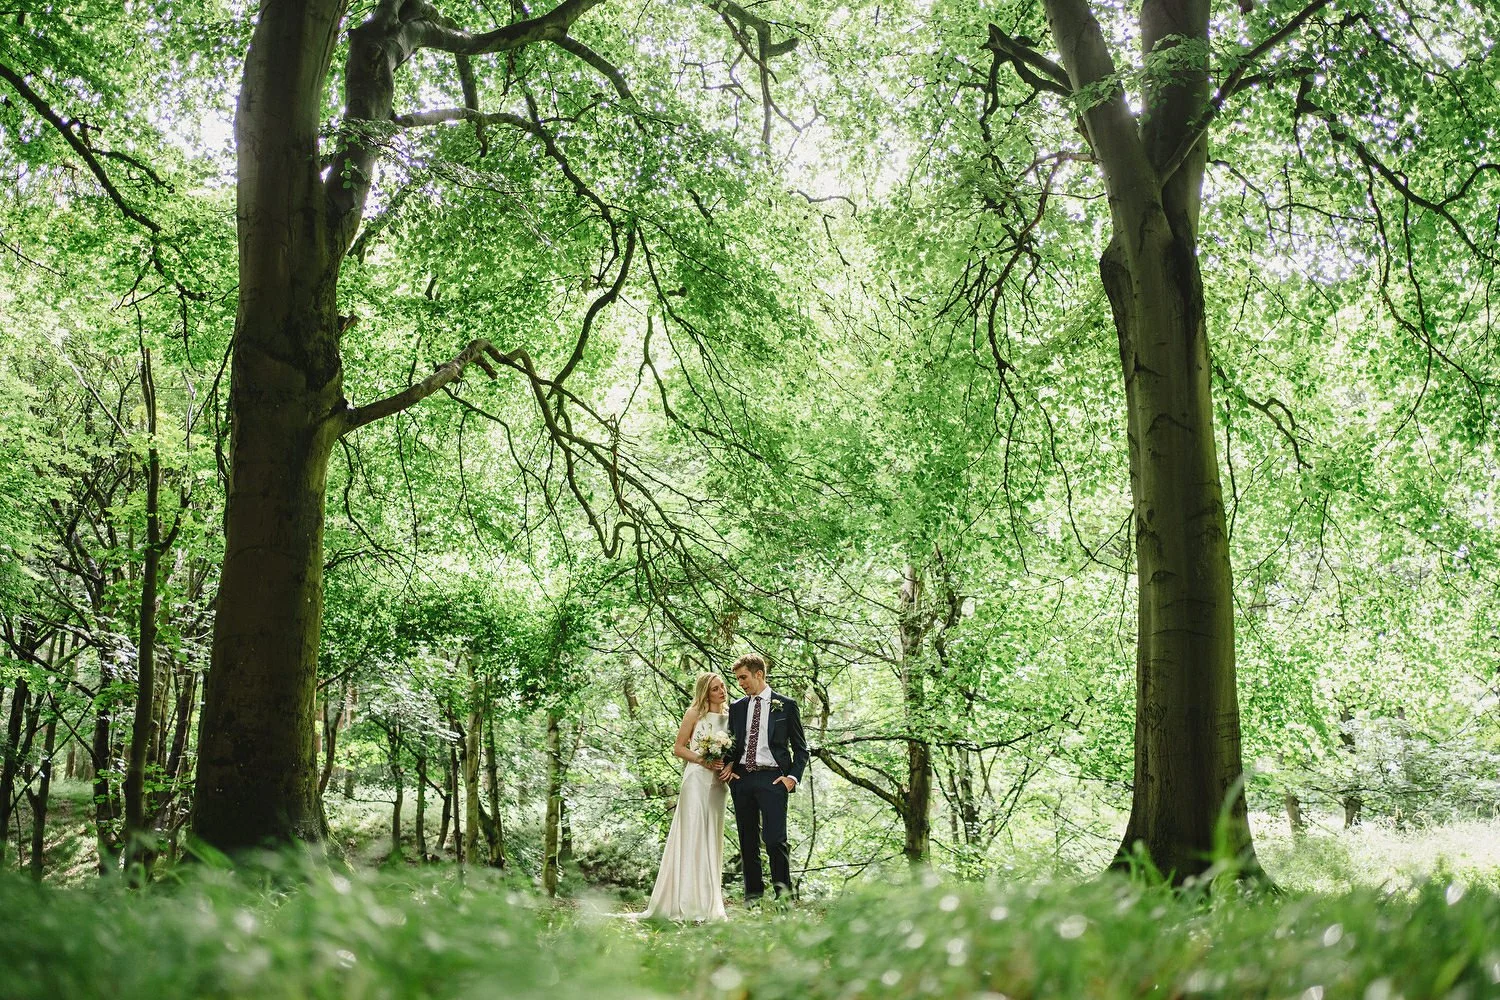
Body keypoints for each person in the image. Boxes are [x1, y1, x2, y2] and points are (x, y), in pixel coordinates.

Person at [640, 671, 730, 921]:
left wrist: (727, 765)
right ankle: (687, 903)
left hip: (718, 785)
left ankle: (709, 902)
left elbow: (735, 751)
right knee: (693, 836)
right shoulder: (694, 714)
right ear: (705, 692)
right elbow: (678, 748)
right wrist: (704, 760)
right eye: (715, 688)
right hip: (697, 779)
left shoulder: (731, 716)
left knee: (712, 838)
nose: (721, 691)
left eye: (722, 686)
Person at [719, 653, 808, 904]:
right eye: (737, 679)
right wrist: (729, 769)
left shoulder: (786, 705)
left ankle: (784, 899)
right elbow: (732, 745)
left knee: (775, 840)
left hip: (773, 780)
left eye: (744, 677)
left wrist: (792, 778)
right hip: (743, 779)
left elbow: (801, 749)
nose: (740, 683)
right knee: (747, 841)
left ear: (759, 674)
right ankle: (753, 899)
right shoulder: (737, 707)